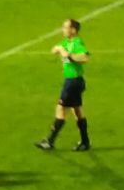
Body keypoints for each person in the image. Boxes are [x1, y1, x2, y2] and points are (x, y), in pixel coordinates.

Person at [35, 18, 92, 152]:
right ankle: (85, 142)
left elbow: (85, 58)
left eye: (66, 27)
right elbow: (54, 49)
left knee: (60, 108)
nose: (63, 29)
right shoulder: (67, 42)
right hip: (74, 81)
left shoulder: (77, 42)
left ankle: (50, 141)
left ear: (73, 30)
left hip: (72, 82)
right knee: (77, 110)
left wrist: (68, 55)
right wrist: (58, 49)